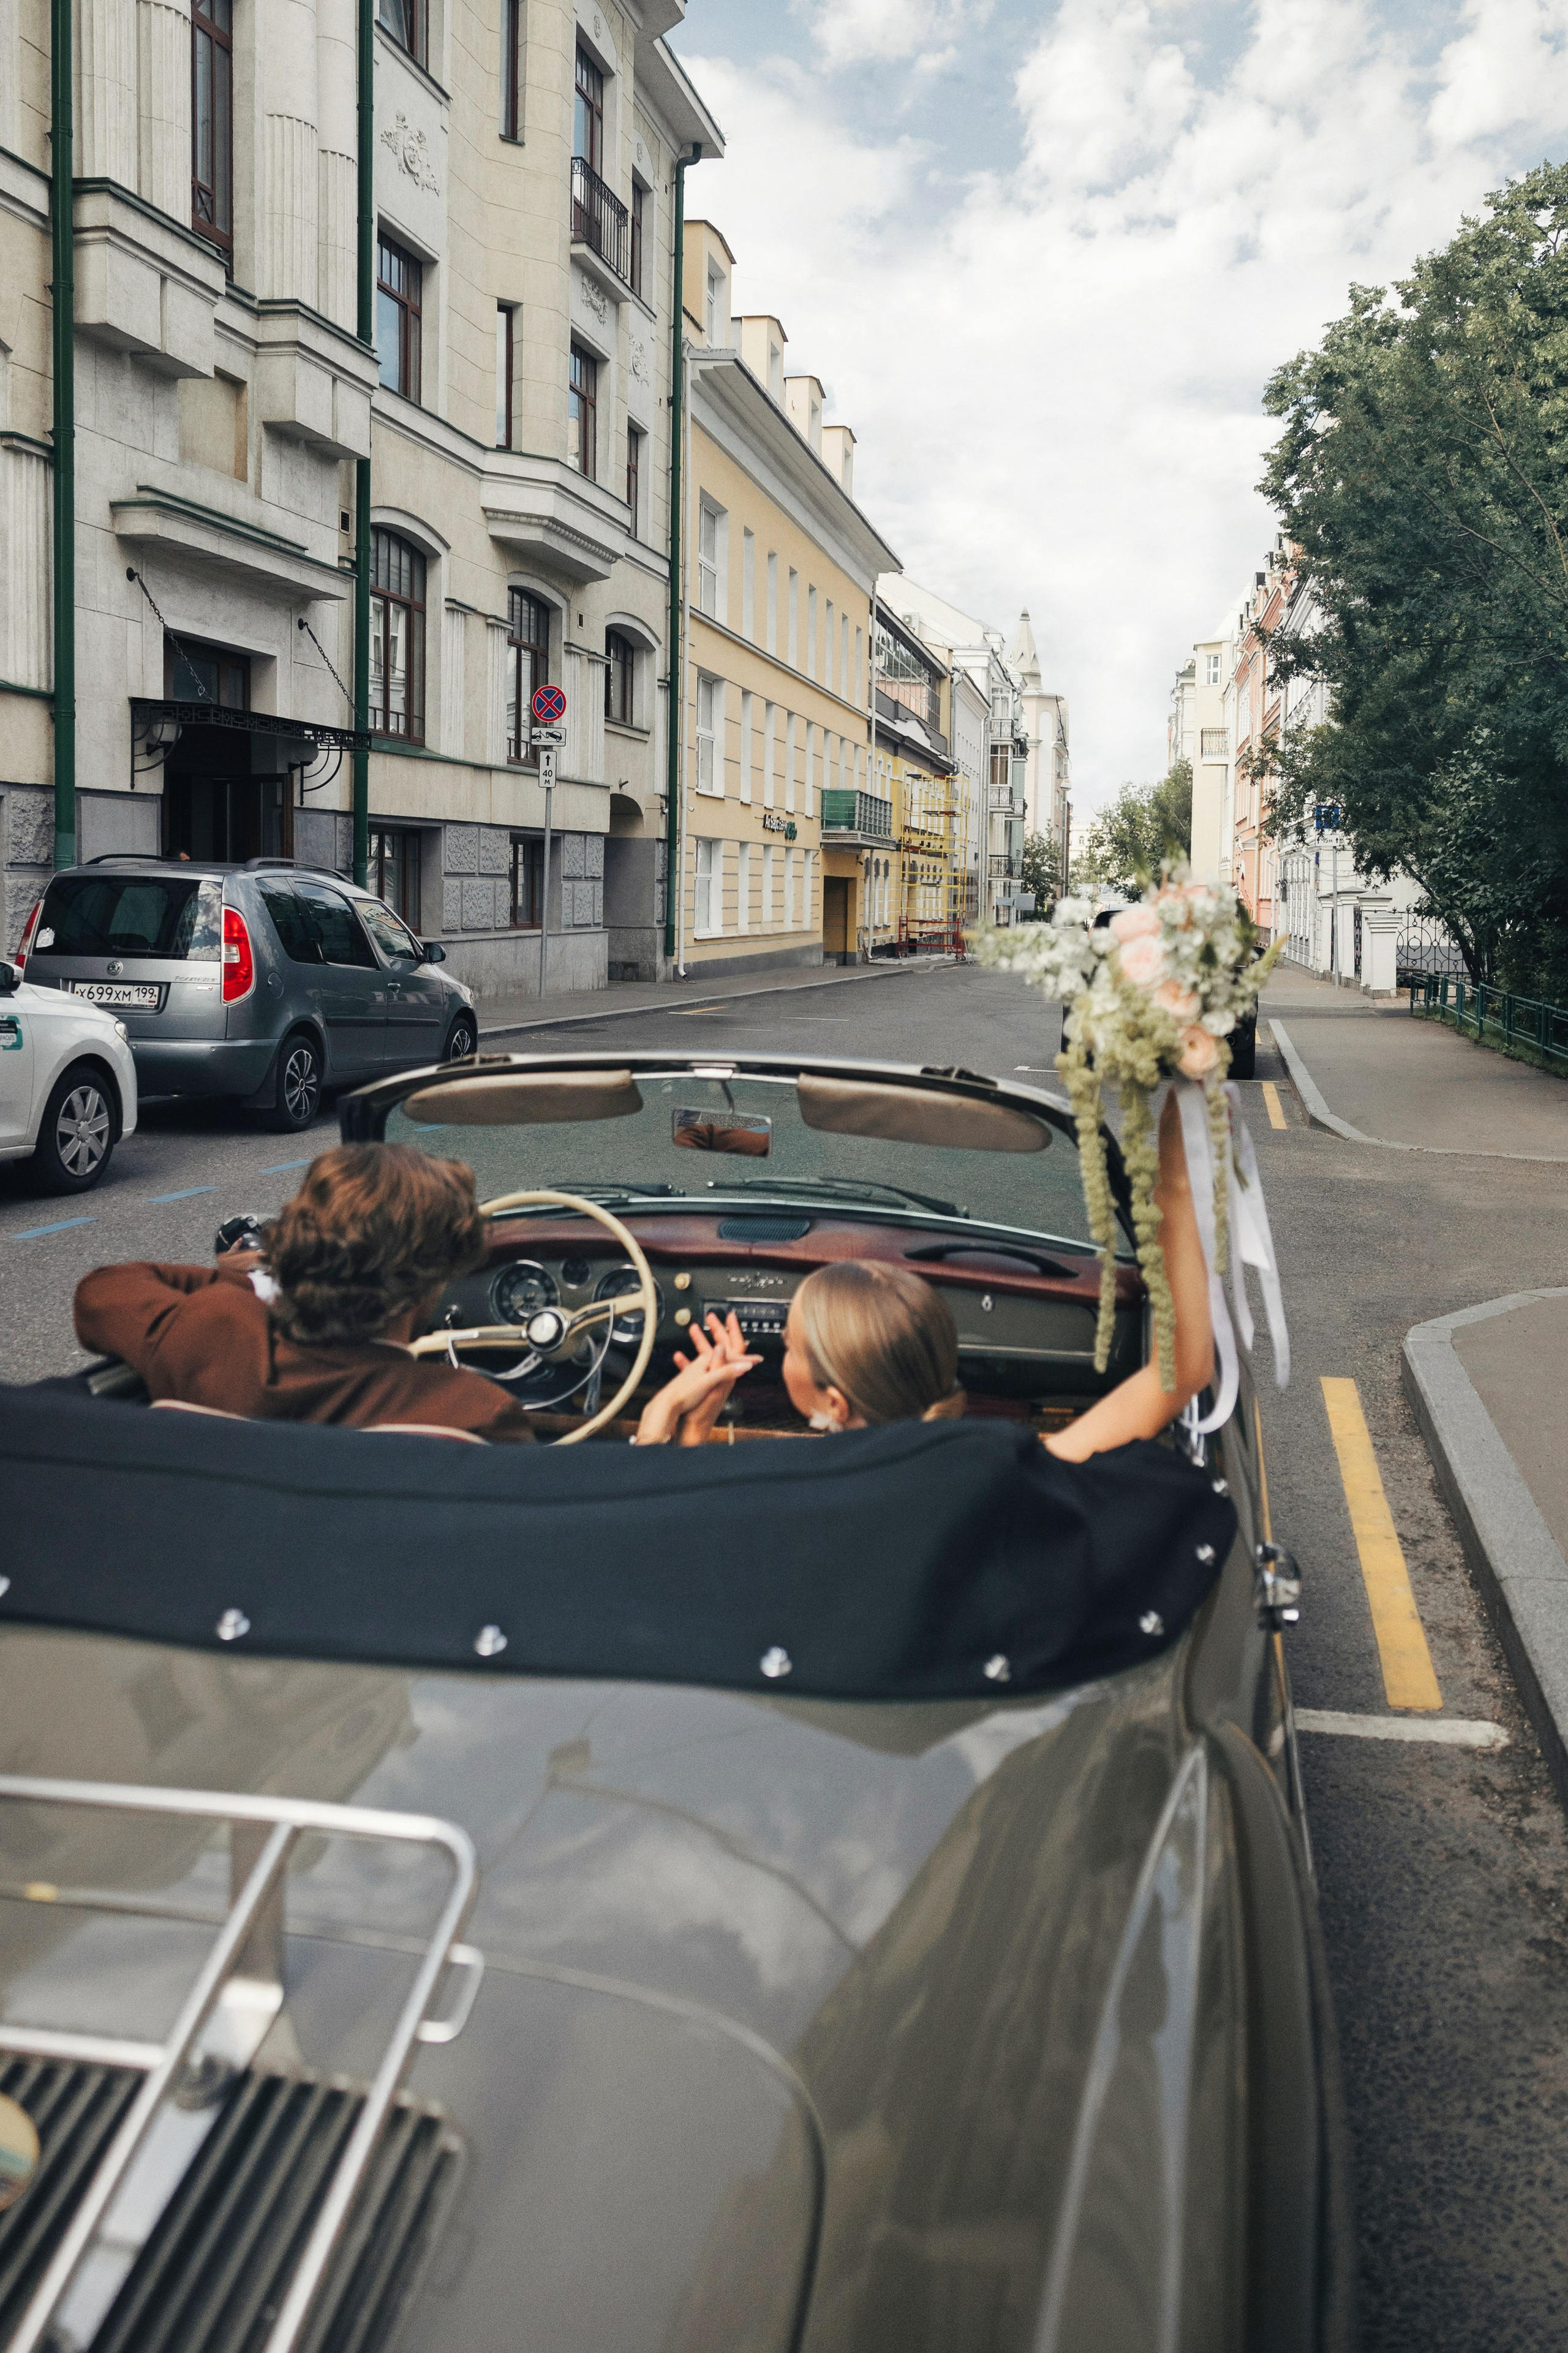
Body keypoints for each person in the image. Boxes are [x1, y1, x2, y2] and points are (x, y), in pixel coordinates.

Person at [656, 1088, 1214, 1460]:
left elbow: (664, 1529)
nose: (777, 1338)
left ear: (835, 1405)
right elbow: (1179, 1373)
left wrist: (674, 1419)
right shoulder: (1000, 1475)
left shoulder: (768, 1485)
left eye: (792, 1344)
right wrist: (1185, 1113)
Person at [75, 1144, 755, 1446]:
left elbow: (103, 1291)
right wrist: (665, 1419)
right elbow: (562, 1546)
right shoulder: (469, 1414)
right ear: (426, 1291)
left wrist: (259, 1272)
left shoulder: (208, 1332)